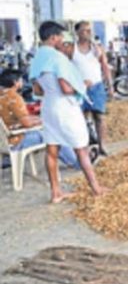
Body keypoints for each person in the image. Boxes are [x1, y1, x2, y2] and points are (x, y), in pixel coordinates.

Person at [28, 21, 106, 203]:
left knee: (52, 150)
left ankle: (56, 193)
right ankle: (96, 189)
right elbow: (65, 87)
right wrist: (83, 86)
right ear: (54, 37)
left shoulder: (37, 58)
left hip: (48, 106)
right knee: (81, 149)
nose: (63, 40)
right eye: (61, 37)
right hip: (65, 107)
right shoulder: (57, 58)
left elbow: (38, 91)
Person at [0, 69, 80, 171]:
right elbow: (27, 123)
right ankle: (75, 163)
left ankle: (72, 159)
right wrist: (42, 120)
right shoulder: (14, 97)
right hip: (15, 141)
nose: (22, 82)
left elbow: (20, 119)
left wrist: (37, 119)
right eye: (21, 80)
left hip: (3, 141)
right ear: (16, 82)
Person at [65, 21, 113, 157]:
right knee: (81, 118)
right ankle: (84, 147)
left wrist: (110, 86)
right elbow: (63, 68)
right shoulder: (70, 49)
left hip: (96, 87)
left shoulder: (97, 49)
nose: (87, 33)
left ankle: (102, 145)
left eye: (89, 30)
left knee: (100, 116)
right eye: (84, 30)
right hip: (79, 88)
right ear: (77, 33)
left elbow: (105, 67)